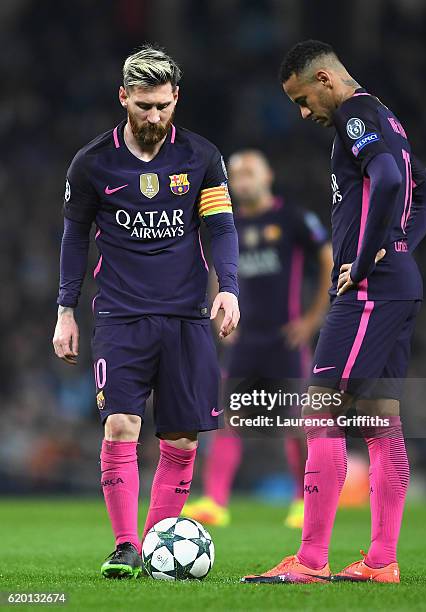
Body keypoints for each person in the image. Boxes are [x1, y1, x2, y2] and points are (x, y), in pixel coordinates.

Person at [242, 40, 426, 584]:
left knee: (320, 409)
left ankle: (310, 560)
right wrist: (397, 243)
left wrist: (362, 256)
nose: (304, 113)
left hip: (370, 289)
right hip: (398, 281)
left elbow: (392, 181)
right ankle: (381, 561)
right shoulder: (388, 118)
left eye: (303, 99)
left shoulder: (356, 113)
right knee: (380, 423)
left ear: (326, 80)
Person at [52, 45, 240, 579]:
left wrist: (229, 288)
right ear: (123, 98)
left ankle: (159, 545)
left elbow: (221, 228)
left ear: (175, 98)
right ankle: (126, 546)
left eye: (162, 105)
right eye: (143, 106)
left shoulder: (202, 157)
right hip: (119, 316)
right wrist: (66, 309)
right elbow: (73, 237)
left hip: (186, 317)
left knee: (180, 437)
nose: (154, 117)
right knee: (120, 425)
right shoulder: (92, 162)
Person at [182, 150, 332, 528]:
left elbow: (328, 261)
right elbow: (218, 268)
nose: (241, 178)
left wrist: (312, 319)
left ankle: (303, 502)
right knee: (228, 417)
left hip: (286, 337)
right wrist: (222, 312)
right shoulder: (225, 223)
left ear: (269, 175)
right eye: (235, 173)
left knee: (296, 420)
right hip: (245, 339)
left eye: (249, 171)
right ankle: (215, 502)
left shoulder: (292, 217)